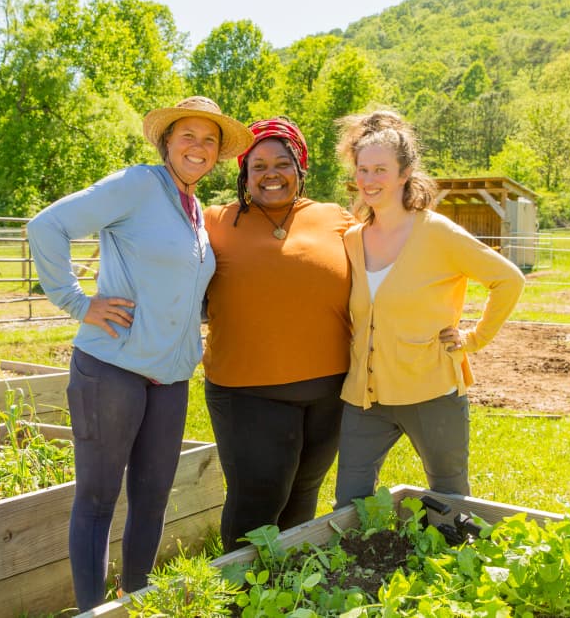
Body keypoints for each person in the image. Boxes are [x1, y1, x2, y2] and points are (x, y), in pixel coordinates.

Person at [27, 96, 253, 610]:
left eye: (209, 139)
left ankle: (135, 600)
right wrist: (76, 302)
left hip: (169, 379)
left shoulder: (195, 211)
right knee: (98, 500)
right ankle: (93, 610)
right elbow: (47, 225)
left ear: (218, 154)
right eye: (188, 135)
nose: (198, 146)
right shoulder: (136, 186)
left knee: (151, 501)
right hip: (112, 370)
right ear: (166, 142)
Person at [332, 109, 525, 509]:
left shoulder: (436, 232)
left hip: (431, 390)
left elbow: (508, 279)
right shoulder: (352, 239)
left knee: (451, 498)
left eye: (380, 170)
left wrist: (474, 339)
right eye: (363, 170)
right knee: (349, 503)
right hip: (365, 399)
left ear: (404, 174)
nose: (369, 181)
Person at [202, 117, 356, 552]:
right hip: (247, 391)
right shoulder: (216, 222)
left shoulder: (333, 218)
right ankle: (238, 596)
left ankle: (285, 590)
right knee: (258, 500)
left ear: (300, 167)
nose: (271, 173)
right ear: (244, 175)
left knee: (304, 494)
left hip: (330, 390)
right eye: (258, 166)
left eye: (282, 163)